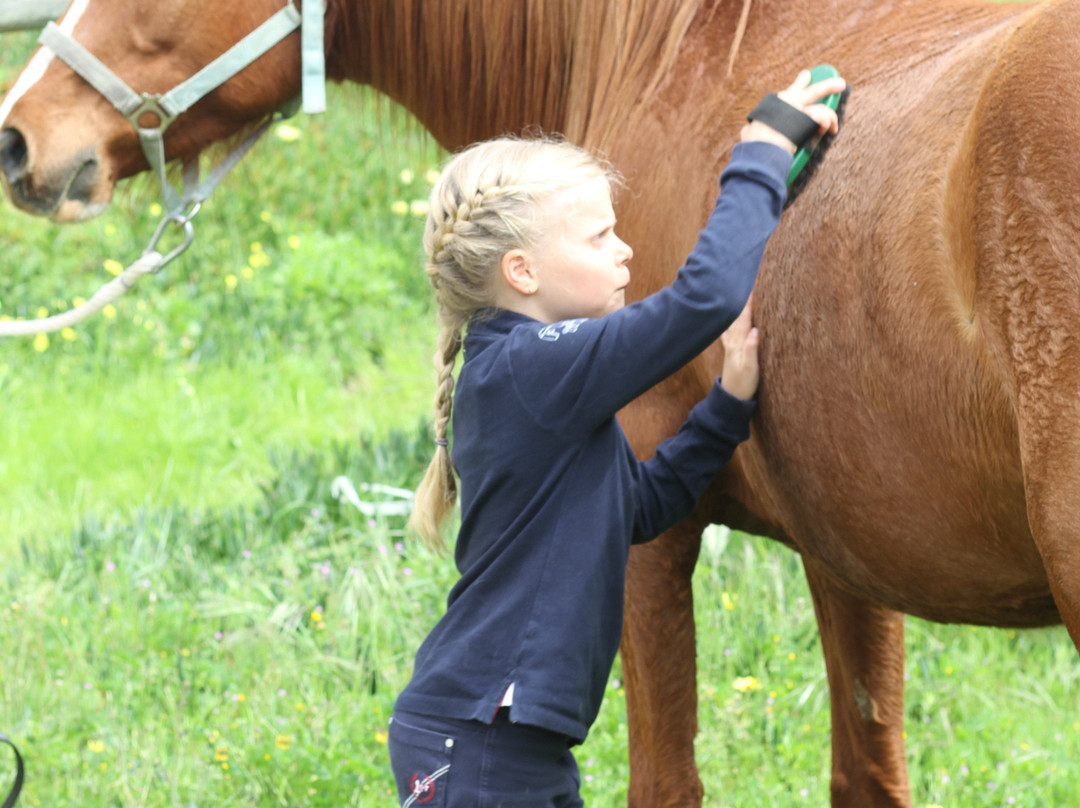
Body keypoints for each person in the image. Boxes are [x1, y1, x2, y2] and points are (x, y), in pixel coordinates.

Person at [388, 69, 846, 807]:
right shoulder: (534, 367)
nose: (625, 250)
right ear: (522, 271)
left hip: (508, 742)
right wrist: (759, 152)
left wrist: (728, 404)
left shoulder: (530, 380)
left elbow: (640, 507)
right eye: (600, 235)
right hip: (473, 742)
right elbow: (703, 299)